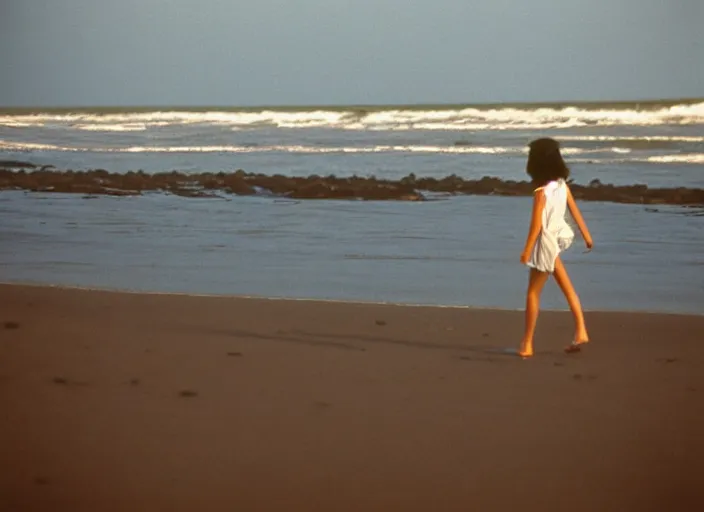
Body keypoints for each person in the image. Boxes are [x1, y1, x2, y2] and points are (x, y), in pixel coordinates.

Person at [518, 138, 593, 358]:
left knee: (533, 292)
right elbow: (575, 211)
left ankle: (527, 343)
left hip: (546, 242)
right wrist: (586, 236)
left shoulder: (541, 191)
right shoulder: (561, 185)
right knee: (567, 286)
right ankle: (581, 329)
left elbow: (536, 226)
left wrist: (526, 249)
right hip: (559, 238)